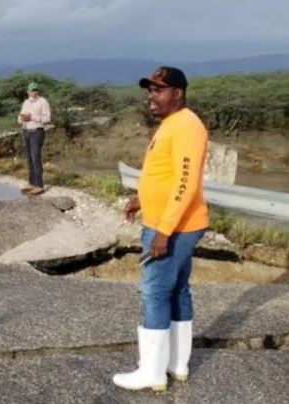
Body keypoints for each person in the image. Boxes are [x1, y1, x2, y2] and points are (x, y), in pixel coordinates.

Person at [113, 66, 209, 392]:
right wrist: (141, 200)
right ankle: (177, 365)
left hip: (174, 227)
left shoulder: (186, 126)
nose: (151, 97)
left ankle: (151, 373)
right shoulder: (173, 124)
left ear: (177, 93)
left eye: (158, 90)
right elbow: (165, 176)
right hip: (175, 222)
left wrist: (163, 231)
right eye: (149, 90)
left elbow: (186, 183)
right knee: (177, 290)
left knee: (154, 292)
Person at [17, 82, 51, 195]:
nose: (34, 92)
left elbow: (47, 118)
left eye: (35, 90)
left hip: (37, 131)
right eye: (32, 90)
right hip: (26, 131)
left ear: (38, 91)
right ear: (28, 92)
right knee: (29, 158)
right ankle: (31, 183)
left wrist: (33, 117)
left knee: (36, 157)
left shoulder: (43, 101)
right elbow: (19, 118)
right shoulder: (26, 102)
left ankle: (39, 185)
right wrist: (23, 118)